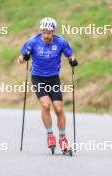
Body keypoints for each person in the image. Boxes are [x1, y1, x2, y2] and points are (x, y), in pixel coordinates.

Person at [17, 17, 78, 153]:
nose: (46, 35)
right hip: (38, 77)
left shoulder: (61, 42)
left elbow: (71, 55)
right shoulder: (32, 42)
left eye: (49, 32)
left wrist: (73, 61)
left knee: (58, 108)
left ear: (53, 32)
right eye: (44, 32)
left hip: (53, 78)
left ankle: (62, 138)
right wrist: (24, 57)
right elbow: (20, 59)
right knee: (45, 105)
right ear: (41, 31)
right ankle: (50, 135)